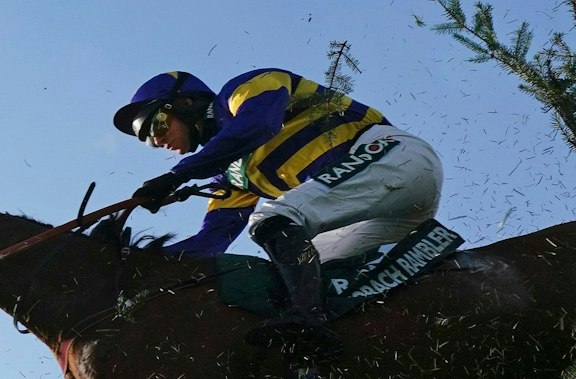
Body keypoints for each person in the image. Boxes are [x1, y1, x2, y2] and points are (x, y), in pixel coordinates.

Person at [115, 68, 444, 355]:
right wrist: (139, 262)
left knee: (272, 218)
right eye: (148, 141)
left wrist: (178, 175)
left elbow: (259, 125)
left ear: (186, 103)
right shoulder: (229, 175)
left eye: (156, 125)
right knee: (306, 279)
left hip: (394, 157)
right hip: (381, 213)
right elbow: (211, 241)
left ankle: (307, 321)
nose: (158, 142)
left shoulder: (245, 88)